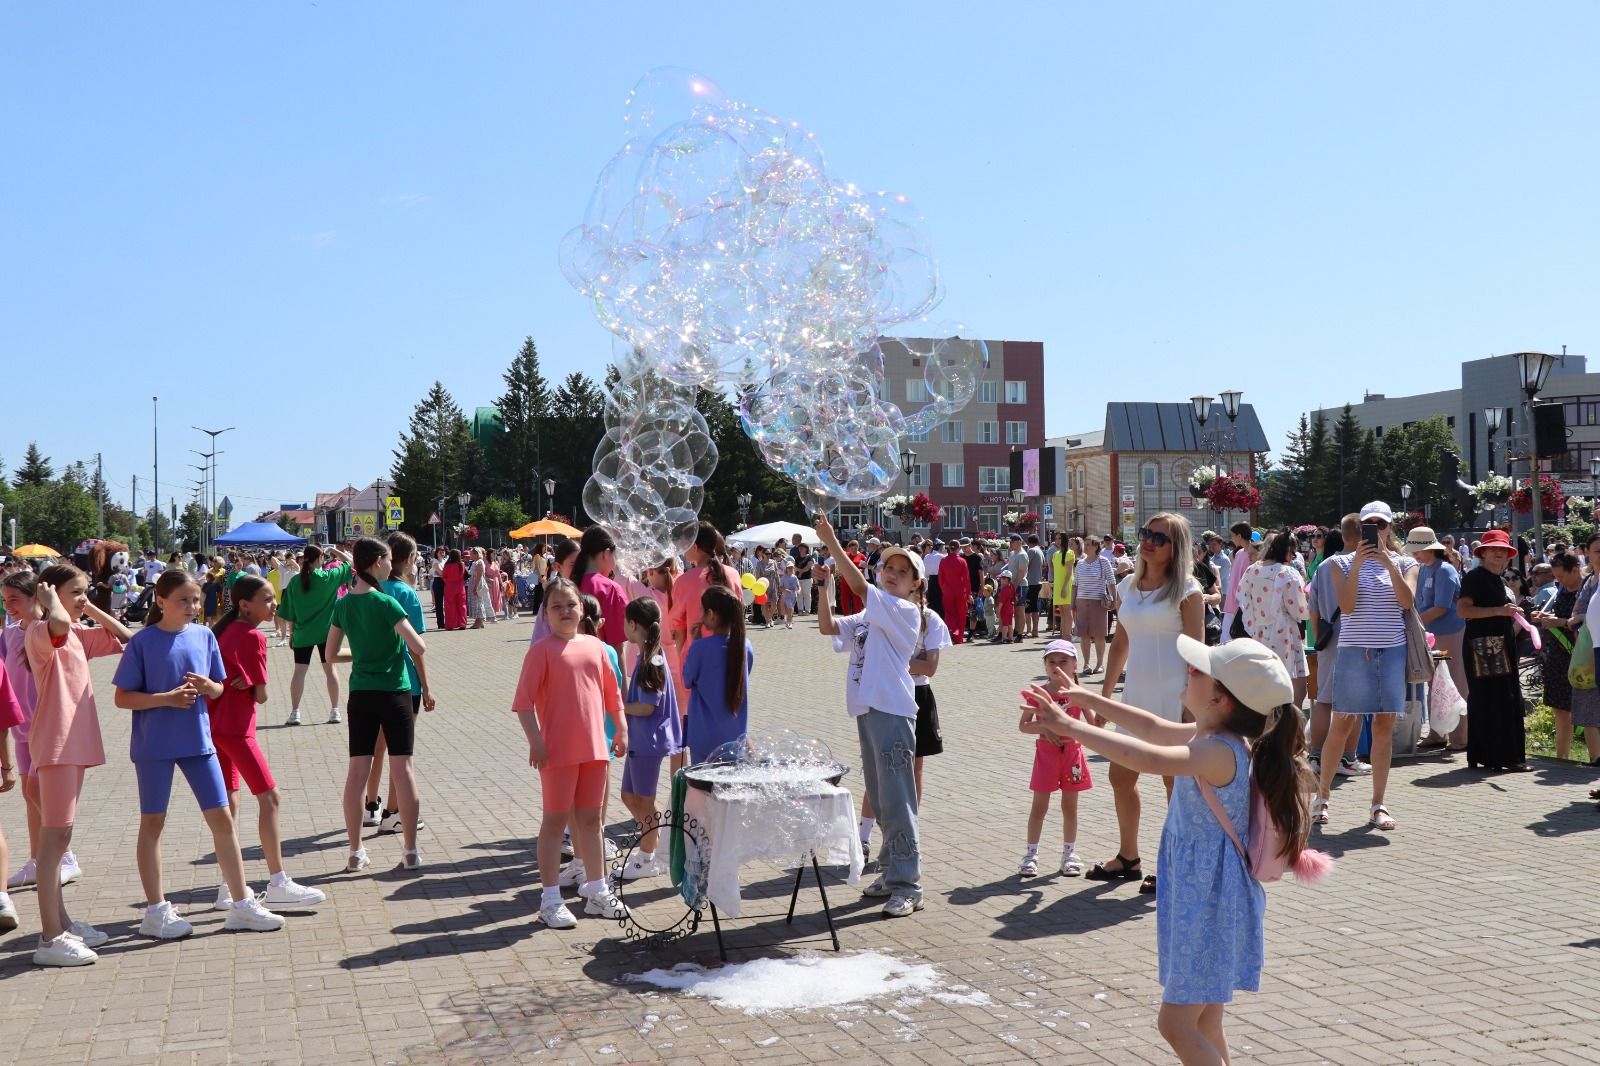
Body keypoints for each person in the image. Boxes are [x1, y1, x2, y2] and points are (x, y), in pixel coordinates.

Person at [1021, 636, 1312, 1066]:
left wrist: (1071, 726)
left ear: (1220, 698)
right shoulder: (1215, 734)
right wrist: (1085, 698)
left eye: (1197, 670)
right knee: (1205, 1023)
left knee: (1175, 1025)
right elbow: (1152, 728)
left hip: (1208, 902)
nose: (1187, 671)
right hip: (1206, 896)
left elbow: (1149, 757)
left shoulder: (1218, 750)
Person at [111, 570, 287, 941]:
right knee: (153, 824)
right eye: (183, 600)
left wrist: (212, 687)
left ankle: (241, 904)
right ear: (160, 602)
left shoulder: (205, 635)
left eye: (195, 600)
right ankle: (156, 910)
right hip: (154, 746)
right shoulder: (144, 642)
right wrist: (166, 699)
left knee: (222, 818)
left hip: (198, 741)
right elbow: (122, 697)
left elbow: (220, 688)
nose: (192, 607)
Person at [814, 513, 926, 918]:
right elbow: (829, 628)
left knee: (898, 799)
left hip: (892, 710)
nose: (893, 574)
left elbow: (860, 586)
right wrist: (824, 586)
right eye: (889, 568)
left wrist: (832, 543)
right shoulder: (872, 613)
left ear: (916, 584)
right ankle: (892, 870)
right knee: (880, 800)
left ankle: (908, 884)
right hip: (868, 708)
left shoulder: (905, 611)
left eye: (903, 571)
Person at [1087, 514, 1203, 895]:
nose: (1149, 541)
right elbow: (1120, 643)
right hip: (1135, 696)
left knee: (1175, 784)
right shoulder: (1129, 585)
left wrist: (1192, 706)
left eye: (1160, 537)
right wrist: (1104, 698)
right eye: (1145, 533)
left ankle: (1173, 865)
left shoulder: (1187, 590)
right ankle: (1128, 857)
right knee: (1120, 776)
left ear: (1176, 548)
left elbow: (1198, 653)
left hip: (1175, 696)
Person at [22, 565, 130, 965]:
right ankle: (50, 939)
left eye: (87, 591)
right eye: (77, 592)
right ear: (51, 594)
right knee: (53, 843)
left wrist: (90, 607)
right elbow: (60, 623)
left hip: (72, 745)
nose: (84, 598)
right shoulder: (40, 633)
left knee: (60, 841)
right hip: (56, 745)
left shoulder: (75, 635)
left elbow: (126, 638)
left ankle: (62, 924)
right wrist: (49, 603)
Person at [514, 578, 628, 929]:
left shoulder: (595, 646)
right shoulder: (542, 651)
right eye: (556, 606)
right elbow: (523, 705)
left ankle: (597, 890)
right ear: (545, 614)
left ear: (582, 608)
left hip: (595, 749)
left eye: (571, 605)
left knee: (592, 822)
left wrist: (621, 727)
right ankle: (550, 898)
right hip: (557, 752)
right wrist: (536, 741)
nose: (565, 611)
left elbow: (613, 696)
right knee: (555, 822)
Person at [208, 575, 327, 911]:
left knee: (229, 802)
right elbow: (261, 695)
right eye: (268, 598)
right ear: (245, 605)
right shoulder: (253, 637)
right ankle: (277, 881)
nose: (274, 604)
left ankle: (227, 886)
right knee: (270, 797)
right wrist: (250, 686)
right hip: (237, 729)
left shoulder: (223, 631)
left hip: (214, 726)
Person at [1312, 501, 1419, 830]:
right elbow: (1347, 606)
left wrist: (1387, 563)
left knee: (1383, 729)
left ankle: (1378, 803)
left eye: (1381, 524)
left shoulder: (1406, 562)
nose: (1376, 530)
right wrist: (1358, 563)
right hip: (1354, 650)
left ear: (1390, 527)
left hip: (1392, 651)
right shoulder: (1338, 563)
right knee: (1341, 726)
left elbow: (1407, 601)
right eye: (1369, 525)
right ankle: (1322, 796)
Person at [326, 537, 430, 872]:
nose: (389, 565)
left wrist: (362, 653)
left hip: (361, 693)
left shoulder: (343, 605)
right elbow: (418, 645)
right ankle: (410, 850)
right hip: (394, 692)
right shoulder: (386, 603)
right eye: (385, 559)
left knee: (357, 771)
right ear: (375, 562)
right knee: (403, 770)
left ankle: (355, 852)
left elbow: (330, 655)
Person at [369, 533, 437, 834]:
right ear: (408, 560)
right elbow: (416, 645)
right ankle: (393, 813)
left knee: (376, 748)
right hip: (404, 682)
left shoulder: (369, 590)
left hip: (370, 681)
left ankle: (370, 804)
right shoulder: (407, 594)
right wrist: (426, 686)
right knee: (401, 752)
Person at [616, 597, 682, 882]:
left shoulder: (652, 658)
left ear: (633, 624)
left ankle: (648, 855)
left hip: (647, 741)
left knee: (644, 800)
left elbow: (647, 706)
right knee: (629, 797)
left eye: (624, 622)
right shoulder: (646, 655)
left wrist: (615, 708)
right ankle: (652, 846)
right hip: (639, 741)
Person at [1457, 530, 1531, 772]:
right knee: (1494, 697)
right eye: (1493, 548)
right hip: (1484, 645)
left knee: (1502, 696)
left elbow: (1503, 610)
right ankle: (1499, 755)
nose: (1498, 553)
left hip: (1499, 643)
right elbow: (1464, 611)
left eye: (1503, 549)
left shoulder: (1499, 579)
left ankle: (1496, 755)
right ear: (1483, 552)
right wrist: (1500, 611)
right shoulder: (1475, 577)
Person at [1018, 640, 1092, 877]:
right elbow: (1023, 726)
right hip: (1046, 755)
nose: (1057, 666)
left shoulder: (1079, 694)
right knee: (1039, 807)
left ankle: (1069, 854)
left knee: (1070, 807)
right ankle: (1031, 855)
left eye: (1063, 661)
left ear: (1074, 665)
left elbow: (1094, 725)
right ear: (1045, 665)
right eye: (1051, 661)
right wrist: (1045, 727)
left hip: (1072, 755)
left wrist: (1096, 714)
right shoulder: (1038, 694)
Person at [277, 543, 353, 726]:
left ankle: (295, 713)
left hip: (302, 634)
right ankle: (335, 711)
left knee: (299, 673)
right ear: (320, 559)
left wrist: (292, 634)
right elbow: (351, 563)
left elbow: (289, 612)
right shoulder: (329, 576)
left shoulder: (295, 581)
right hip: (326, 634)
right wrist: (333, 550)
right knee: (330, 671)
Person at [1409, 527, 1469, 751]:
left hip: (1451, 632)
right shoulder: (1425, 569)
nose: (1415, 555)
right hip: (1431, 634)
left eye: (1418, 550)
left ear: (1429, 548)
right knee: (1434, 685)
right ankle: (1437, 733)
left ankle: (1461, 737)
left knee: (1454, 684)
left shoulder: (1444, 570)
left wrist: (1414, 623)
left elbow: (1442, 607)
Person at [1236, 531, 1310, 708]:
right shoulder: (1288, 573)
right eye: (1292, 552)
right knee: (1294, 688)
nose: (1293, 557)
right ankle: (1288, 729)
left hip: (1259, 634)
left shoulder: (1252, 570)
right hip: (1285, 636)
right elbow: (1299, 611)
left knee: (1265, 687)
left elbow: (1242, 597)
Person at [682, 585, 755, 764]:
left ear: (712, 615)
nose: (700, 615)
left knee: (702, 788)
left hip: (703, 736)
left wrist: (694, 643)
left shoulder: (700, 648)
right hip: (734, 737)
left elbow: (687, 679)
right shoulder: (745, 646)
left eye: (702, 610)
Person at [1533, 551, 1587, 761]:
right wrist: (1546, 618)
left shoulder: (1588, 589)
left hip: (1580, 655)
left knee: (1584, 706)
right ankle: (1561, 757)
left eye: (1562, 577)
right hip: (1558, 655)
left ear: (1575, 570)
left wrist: (1560, 622)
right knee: (1559, 707)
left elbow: (1586, 622)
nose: (1559, 581)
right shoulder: (1561, 590)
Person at [570, 527, 630, 658]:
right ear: (606, 553)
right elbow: (617, 648)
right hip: (600, 668)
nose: (615, 565)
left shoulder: (567, 586)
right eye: (615, 556)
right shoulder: (610, 589)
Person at [1073, 538, 1117, 673]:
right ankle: (1086, 664)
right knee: (1084, 635)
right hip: (1081, 601)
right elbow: (1075, 584)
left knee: (1099, 634)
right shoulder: (1080, 563)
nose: (1085, 547)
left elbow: (1111, 581)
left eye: (1088, 545)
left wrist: (1114, 599)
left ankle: (1099, 664)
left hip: (1098, 602)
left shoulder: (1103, 562)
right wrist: (1072, 602)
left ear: (1096, 546)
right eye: (1084, 544)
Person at [1220, 522, 1253, 643]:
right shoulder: (1238, 553)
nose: (1232, 539)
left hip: (1243, 604)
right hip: (1232, 600)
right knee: (1226, 637)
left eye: (1233, 535)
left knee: (1237, 638)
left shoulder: (1253, 553)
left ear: (1239, 536)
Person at [937, 540, 971, 645]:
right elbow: (966, 579)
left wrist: (944, 589)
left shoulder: (943, 561)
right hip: (960, 591)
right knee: (961, 615)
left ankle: (950, 633)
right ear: (958, 548)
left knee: (949, 614)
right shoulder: (962, 561)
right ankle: (958, 637)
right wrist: (968, 593)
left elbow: (940, 578)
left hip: (948, 591)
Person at [1052, 533, 1077, 639]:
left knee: (1067, 610)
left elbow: (1069, 572)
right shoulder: (1056, 554)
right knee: (1061, 610)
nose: (1057, 541)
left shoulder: (1069, 553)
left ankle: (1067, 635)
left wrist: (1064, 587)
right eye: (1056, 538)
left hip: (1066, 584)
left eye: (1060, 538)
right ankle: (1064, 634)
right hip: (1058, 584)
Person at [442, 548, 468, 631]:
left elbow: (443, 576)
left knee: (450, 606)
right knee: (462, 606)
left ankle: (450, 625)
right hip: (460, 587)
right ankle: (462, 624)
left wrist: (448, 581)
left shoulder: (447, 565)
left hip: (449, 587)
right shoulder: (462, 564)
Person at [996, 571, 1018, 643]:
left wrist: (998, 610)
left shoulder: (1004, 589)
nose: (1000, 580)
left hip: (1005, 610)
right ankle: (1010, 638)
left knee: (1005, 624)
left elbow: (1001, 601)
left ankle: (1004, 638)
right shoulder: (1011, 587)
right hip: (1011, 608)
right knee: (1010, 624)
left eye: (1001, 578)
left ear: (1006, 579)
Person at [778, 562, 800, 630]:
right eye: (789, 567)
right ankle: (790, 623)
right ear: (786, 569)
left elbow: (798, 586)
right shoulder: (784, 577)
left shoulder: (795, 577)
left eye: (792, 567)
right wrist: (786, 590)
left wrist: (799, 591)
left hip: (794, 596)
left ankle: (787, 621)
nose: (790, 569)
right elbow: (780, 588)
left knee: (790, 609)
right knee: (790, 608)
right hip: (786, 596)